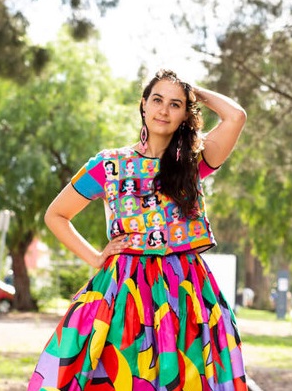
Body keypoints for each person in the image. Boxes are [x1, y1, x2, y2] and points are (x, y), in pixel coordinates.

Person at [27, 69, 248, 391]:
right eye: (157, 100)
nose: (163, 110)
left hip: (185, 289)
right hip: (124, 288)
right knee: (124, 373)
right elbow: (56, 215)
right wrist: (95, 257)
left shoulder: (193, 162)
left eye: (175, 104)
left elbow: (236, 116)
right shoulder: (108, 164)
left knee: (185, 377)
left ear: (186, 113)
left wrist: (191, 91)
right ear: (143, 105)